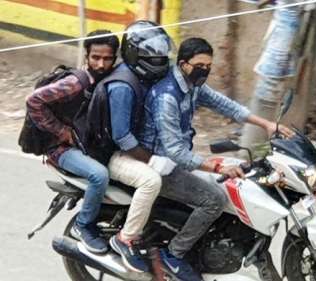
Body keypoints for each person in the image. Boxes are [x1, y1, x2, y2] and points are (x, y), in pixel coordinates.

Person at [139, 37, 293, 281]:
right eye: (200, 65)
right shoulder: (166, 95)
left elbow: (226, 106)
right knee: (214, 199)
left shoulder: (193, 84)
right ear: (182, 64)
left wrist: (266, 124)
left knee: (239, 179)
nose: (205, 70)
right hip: (160, 165)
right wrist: (214, 164)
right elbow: (174, 151)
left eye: (209, 66)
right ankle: (174, 255)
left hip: (177, 160)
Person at [87, 21, 173, 273]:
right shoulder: (123, 86)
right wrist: (151, 160)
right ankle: (126, 238)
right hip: (111, 154)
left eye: (160, 55)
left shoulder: (138, 76)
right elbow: (122, 136)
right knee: (151, 181)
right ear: (135, 54)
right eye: (151, 56)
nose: (157, 60)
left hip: (127, 149)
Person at [27, 30, 120, 254]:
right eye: (95, 57)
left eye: (107, 58)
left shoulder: (107, 79)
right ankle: (83, 226)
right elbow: (34, 101)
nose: (101, 64)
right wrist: (60, 131)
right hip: (60, 149)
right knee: (99, 175)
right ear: (86, 56)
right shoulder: (76, 82)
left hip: (83, 144)